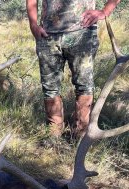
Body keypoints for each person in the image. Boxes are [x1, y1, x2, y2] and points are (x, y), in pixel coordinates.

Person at [26, 0, 121, 137]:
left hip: (82, 33)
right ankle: (54, 136)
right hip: (47, 35)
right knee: (49, 88)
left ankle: (81, 136)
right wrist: (33, 24)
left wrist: (105, 11)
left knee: (84, 86)